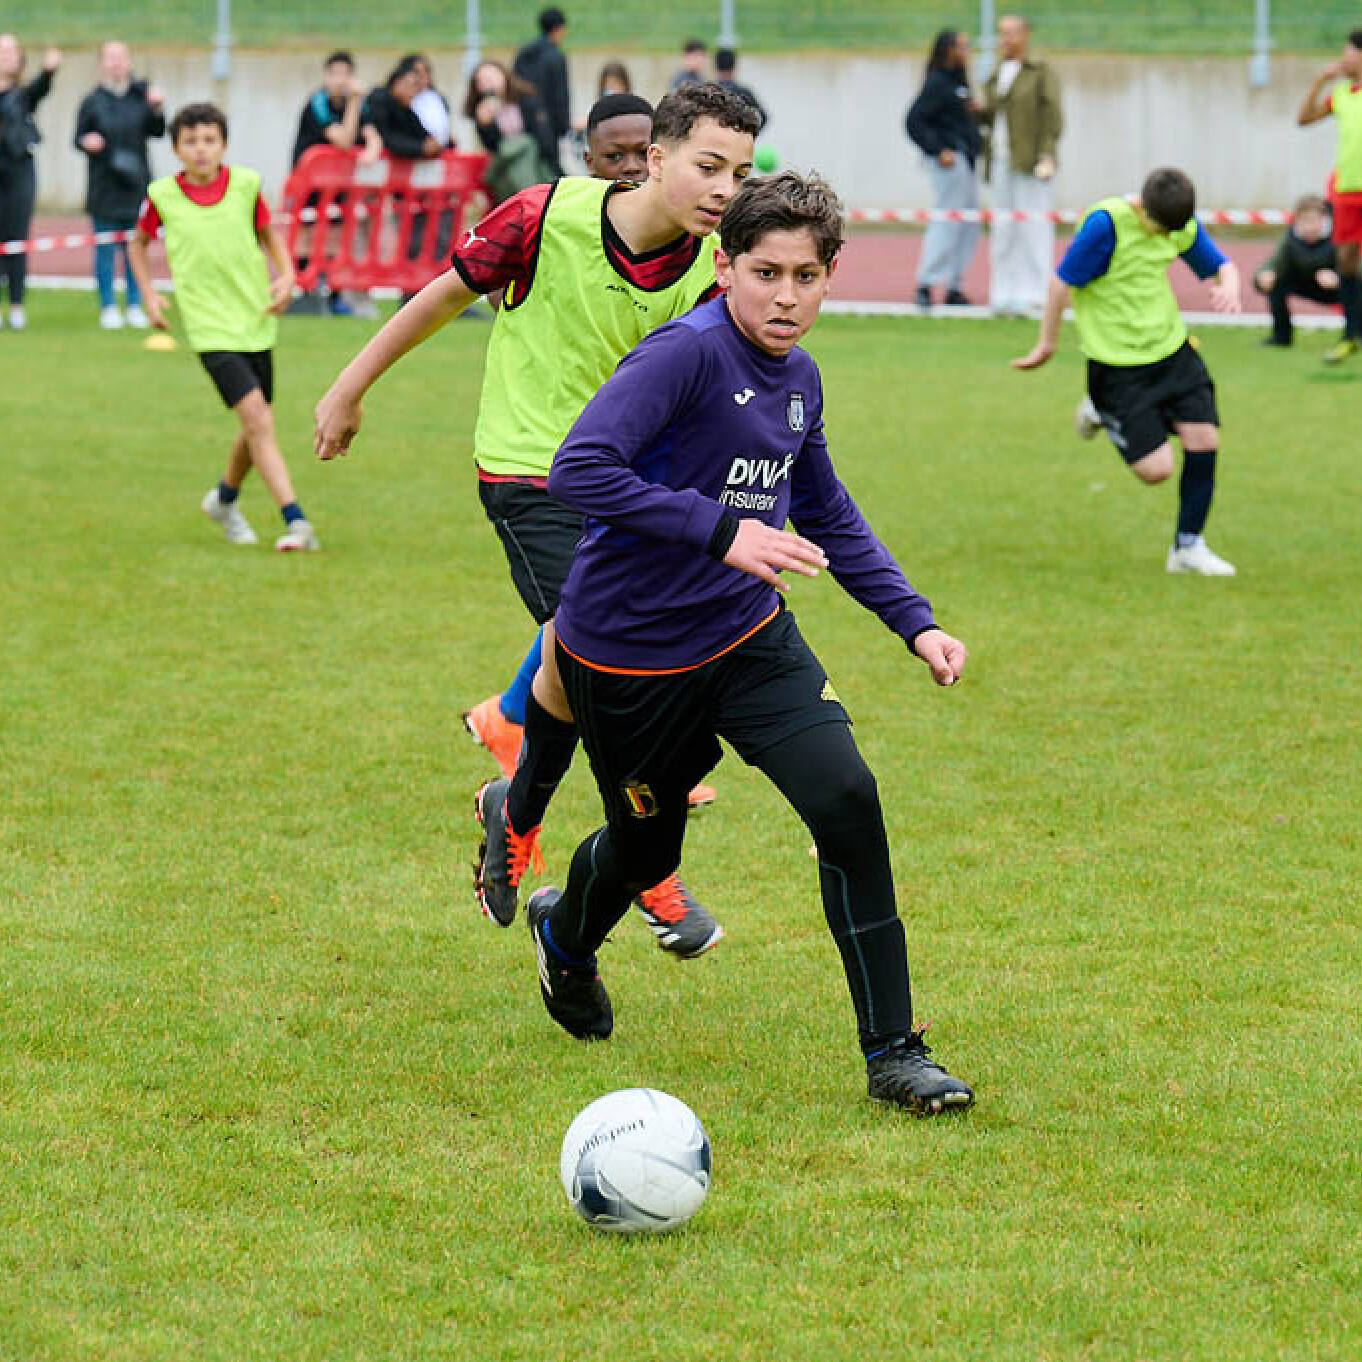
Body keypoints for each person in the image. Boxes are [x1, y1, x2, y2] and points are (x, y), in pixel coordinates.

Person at [523, 170, 974, 1115]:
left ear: (831, 275)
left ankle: (894, 1052)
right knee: (645, 851)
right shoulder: (682, 355)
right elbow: (578, 469)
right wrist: (719, 529)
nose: (786, 297)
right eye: (766, 273)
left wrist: (915, 620)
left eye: (806, 276)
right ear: (724, 268)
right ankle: (565, 939)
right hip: (630, 654)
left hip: (747, 631)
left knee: (846, 797)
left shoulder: (799, 377)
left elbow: (825, 509)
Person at [314, 84, 763, 957]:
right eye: (710, 167)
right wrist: (348, 387)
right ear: (658, 160)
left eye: (740, 175)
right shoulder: (541, 215)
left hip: (634, 495)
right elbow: (440, 298)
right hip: (532, 474)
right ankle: (647, 869)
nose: (724, 190)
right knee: (610, 668)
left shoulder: (716, 266)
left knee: (588, 661)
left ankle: (514, 804)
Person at [463, 91, 656, 777]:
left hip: (617, 465)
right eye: (614, 156)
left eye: (642, 154)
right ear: (587, 159)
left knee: (595, 607)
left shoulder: (686, 242)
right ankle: (644, 766)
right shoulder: (553, 218)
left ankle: (507, 714)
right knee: (587, 619)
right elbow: (482, 287)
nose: (630, 167)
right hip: (529, 463)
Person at [1011, 167, 1241, 577]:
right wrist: (1047, 344)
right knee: (1157, 471)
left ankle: (1187, 546)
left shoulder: (1176, 220)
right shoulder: (1107, 225)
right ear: (1143, 207)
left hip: (1172, 351)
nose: (1166, 236)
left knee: (1204, 439)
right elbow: (1061, 284)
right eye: (1160, 229)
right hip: (1117, 367)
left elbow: (1222, 265)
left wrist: (1229, 287)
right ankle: (1100, 408)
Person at [128, 103, 319, 553]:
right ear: (176, 149)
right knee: (258, 419)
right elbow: (137, 245)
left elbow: (268, 233)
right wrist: (149, 294)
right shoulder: (161, 195)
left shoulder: (246, 185)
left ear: (224, 145)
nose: (201, 149)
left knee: (256, 424)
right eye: (191, 141)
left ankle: (224, 500)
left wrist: (287, 275)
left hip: (255, 319)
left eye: (209, 140)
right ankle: (296, 521)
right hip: (209, 328)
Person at [74, 40, 165, 330]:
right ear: (101, 63)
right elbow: (77, 138)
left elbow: (158, 131)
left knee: (135, 248)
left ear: (129, 61)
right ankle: (108, 306)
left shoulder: (141, 98)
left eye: (121, 57)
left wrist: (157, 108)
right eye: (110, 57)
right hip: (104, 187)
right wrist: (86, 141)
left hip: (136, 186)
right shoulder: (92, 101)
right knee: (104, 250)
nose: (116, 63)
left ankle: (135, 304)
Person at [978, 14, 1062, 316]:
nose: (1006, 40)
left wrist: (1047, 154)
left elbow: (1052, 117)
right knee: (1003, 227)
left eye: (1012, 33)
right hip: (1000, 159)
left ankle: (1037, 293)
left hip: (1030, 160)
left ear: (1025, 35)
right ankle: (1003, 294)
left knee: (1034, 226)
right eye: (1002, 33)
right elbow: (989, 114)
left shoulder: (1040, 71)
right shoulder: (997, 73)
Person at [1296, 30, 1362, 364]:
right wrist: (1319, 82)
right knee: (1346, 261)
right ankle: (1351, 335)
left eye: (1348, 53)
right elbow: (1304, 119)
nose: (1342, 60)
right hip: (1347, 192)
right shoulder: (1341, 95)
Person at [906, 29, 982, 308]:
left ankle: (954, 285)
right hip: (951, 164)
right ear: (947, 50)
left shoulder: (959, 81)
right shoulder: (937, 82)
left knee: (968, 225)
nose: (966, 51)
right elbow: (914, 120)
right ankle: (926, 284)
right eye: (961, 46)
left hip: (967, 161)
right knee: (947, 221)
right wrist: (938, 150)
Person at [0, 35, 61, 331]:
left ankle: (16, 306)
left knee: (16, 240)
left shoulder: (22, 96)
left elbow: (39, 90)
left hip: (18, 173)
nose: (5, 55)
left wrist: (48, 71)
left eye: (11, 51)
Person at [464, 59, 557, 203]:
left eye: (491, 77)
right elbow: (494, 149)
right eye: (481, 81)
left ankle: (529, 199)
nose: (488, 83)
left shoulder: (527, 99)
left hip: (535, 163)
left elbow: (545, 140)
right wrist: (485, 126)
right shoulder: (483, 109)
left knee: (525, 145)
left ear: (503, 75)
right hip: (506, 171)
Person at [1254, 194, 1340, 348]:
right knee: (1276, 283)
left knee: (1354, 288)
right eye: (1305, 220)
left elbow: (1355, 265)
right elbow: (1275, 262)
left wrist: (1338, 278)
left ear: (1325, 219)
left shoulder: (1339, 235)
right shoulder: (1291, 238)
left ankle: (1353, 336)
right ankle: (1281, 337)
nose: (1310, 226)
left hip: (1339, 287)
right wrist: (1264, 275)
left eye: (1314, 220)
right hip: (1305, 284)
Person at [513, 7, 570, 169]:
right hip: (549, 125)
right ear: (558, 29)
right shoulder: (555, 56)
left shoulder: (524, 52)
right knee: (551, 169)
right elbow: (560, 96)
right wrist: (564, 125)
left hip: (524, 119)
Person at [291, 50, 363, 166]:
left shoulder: (360, 104)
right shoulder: (317, 104)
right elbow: (344, 142)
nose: (340, 81)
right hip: (307, 171)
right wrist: (353, 100)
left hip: (336, 172)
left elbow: (370, 129)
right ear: (326, 77)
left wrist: (373, 144)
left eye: (346, 74)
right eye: (335, 74)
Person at [714, 48, 766, 132]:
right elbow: (763, 116)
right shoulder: (743, 92)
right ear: (734, 66)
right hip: (738, 135)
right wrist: (749, 135)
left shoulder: (708, 91)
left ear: (716, 66)